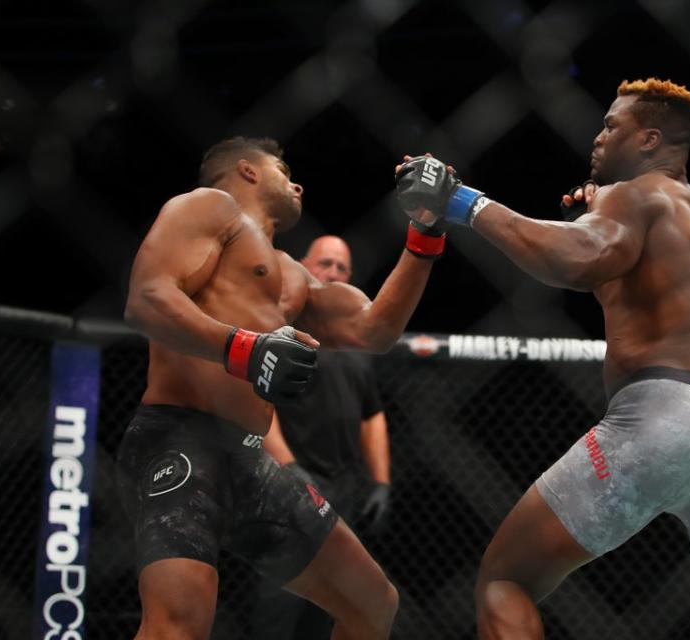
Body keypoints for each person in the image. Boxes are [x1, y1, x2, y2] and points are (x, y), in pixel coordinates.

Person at [394, 78, 690, 639]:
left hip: (659, 417)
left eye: (612, 126)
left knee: (505, 580)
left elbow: (579, 261)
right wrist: (592, 216)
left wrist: (464, 203)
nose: (598, 136)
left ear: (650, 139)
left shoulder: (639, 195)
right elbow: (647, 297)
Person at [119, 135, 448, 640]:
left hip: (250, 459)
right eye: (282, 168)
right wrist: (244, 349)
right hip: (179, 437)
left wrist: (425, 227)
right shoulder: (210, 208)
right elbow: (146, 298)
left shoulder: (292, 275)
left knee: (373, 603)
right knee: (177, 624)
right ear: (248, 171)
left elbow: (374, 329)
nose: (296, 182)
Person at [256, 234, 394, 639]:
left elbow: (373, 415)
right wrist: (290, 467)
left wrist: (381, 482)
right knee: (278, 601)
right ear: (303, 266)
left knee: (337, 601)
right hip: (288, 481)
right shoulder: (285, 327)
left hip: (343, 485)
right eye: (325, 264)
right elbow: (262, 404)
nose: (332, 272)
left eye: (342, 268)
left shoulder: (357, 342)